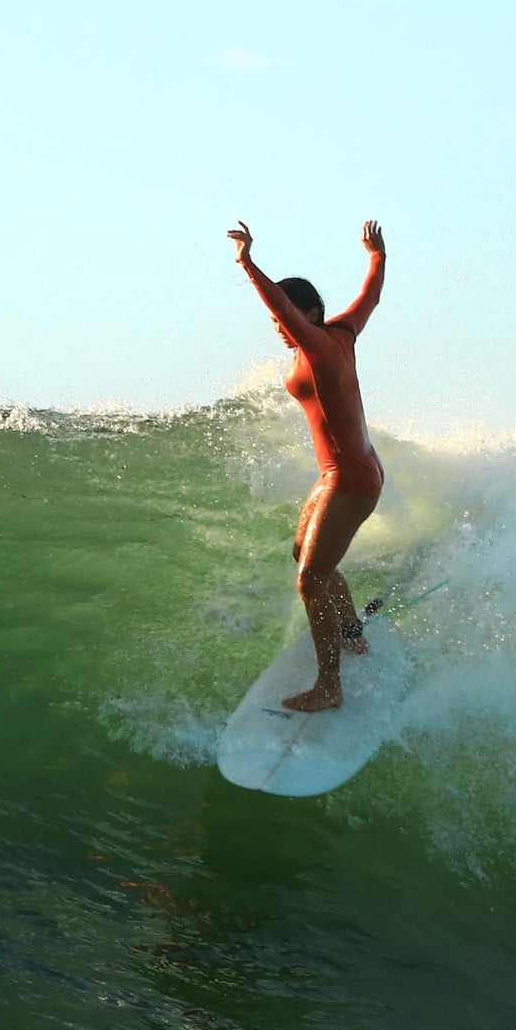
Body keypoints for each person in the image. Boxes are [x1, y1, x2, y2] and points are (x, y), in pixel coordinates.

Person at [227, 218, 387, 712]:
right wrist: (376, 256)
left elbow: (280, 303)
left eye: (287, 320)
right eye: (277, 325)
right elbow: (370, 296)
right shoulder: (343, 331)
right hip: (343, 472)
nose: (280, 329)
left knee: (310, 581)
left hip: (350, 478)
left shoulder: (317, 346)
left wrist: (247, 263)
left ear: (311, 314)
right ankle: (351, 633)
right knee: (306, 555)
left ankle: (329, 687)